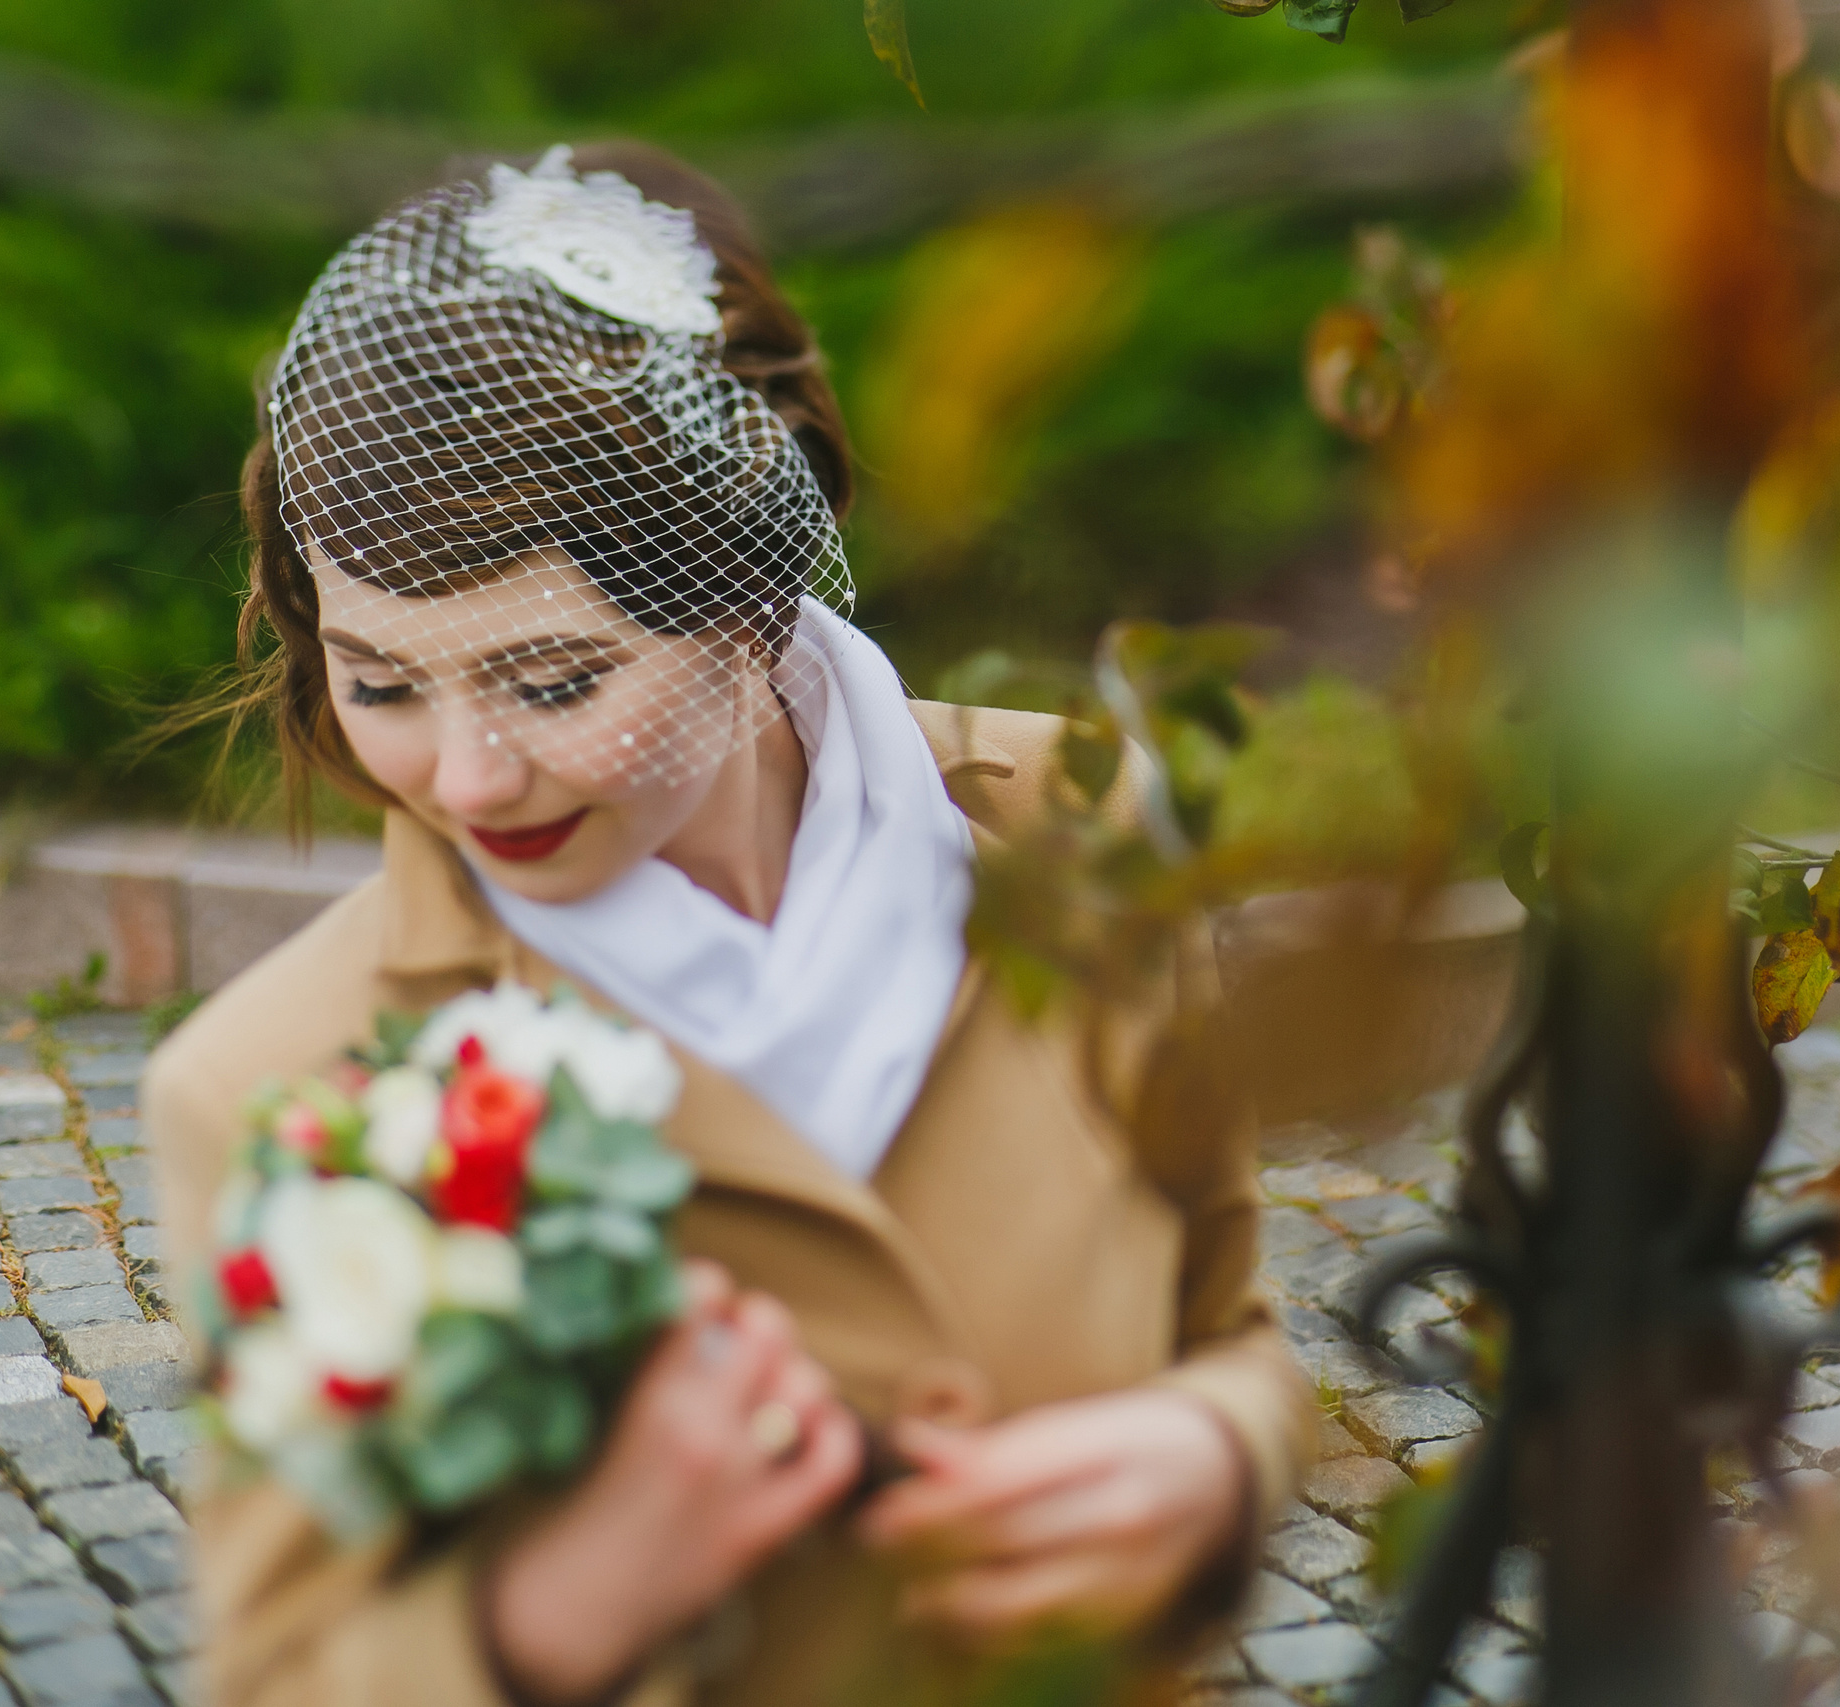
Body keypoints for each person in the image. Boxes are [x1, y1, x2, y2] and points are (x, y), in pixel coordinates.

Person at [144, 139, 1313, 1707]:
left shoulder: (1091, 828)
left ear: (751, 599)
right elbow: (281, 1675)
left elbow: (1234, 1322)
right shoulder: (280, 1082)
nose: (470, 774)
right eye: (381, 682)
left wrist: (1216, 1456)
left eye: (555, 680)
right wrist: (546, 1617)